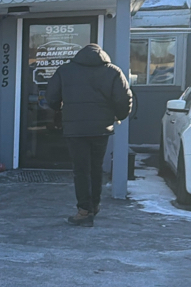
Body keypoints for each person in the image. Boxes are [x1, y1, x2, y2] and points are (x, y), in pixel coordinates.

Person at [46, 43, 133, 227]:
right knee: (95, 167)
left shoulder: (65, 70)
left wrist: (58, 109)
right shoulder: (113, 71)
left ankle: (84, 211)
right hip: (101, 128)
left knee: (81, 170)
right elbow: (124, 98)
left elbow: (51, 96)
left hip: (74, 129)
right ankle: (93, 206)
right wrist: (119, 115)